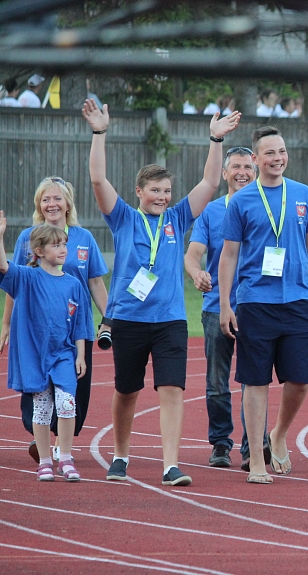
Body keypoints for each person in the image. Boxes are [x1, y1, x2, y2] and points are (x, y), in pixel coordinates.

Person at [82, 98, 241, 486]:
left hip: (170, 320)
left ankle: (170, 464)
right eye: (156, 190)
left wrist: (215, 140)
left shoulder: (178, 218)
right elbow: (99, 182)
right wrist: (99, 133)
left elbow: (209, 183)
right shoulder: (123, 218)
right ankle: (120, 456)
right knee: (127, 391)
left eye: (167, 191)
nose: (163, 197)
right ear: (139, 191)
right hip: (129, 320)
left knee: (172, 389)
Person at [218, 126, 308, 484]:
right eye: (269, 153)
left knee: (300, 378)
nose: (277, 158)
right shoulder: (241, 201)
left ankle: (278, 433)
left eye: (281, 151)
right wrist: (225, 304)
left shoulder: (302, 194)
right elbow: (229, 255)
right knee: (255, 382)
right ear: (255, 160)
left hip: (298, 299)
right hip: (255, 301)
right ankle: (255, 460)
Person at [1, 177, 109, 464]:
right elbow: (15, 283)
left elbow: (96, 283)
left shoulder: (84, 238)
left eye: (57, 198)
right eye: (46, 199)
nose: (52, 204)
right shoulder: (28, 237)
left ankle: (60, 445)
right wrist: (6, 323)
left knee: (74, 387)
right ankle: (48, 443)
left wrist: (110, 320)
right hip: (35, 330)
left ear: (68, 203)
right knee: (38, 393)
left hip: (74, 329)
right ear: (39, 204)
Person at [185, 146, 263, 471]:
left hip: (257, 306)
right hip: (217, 306)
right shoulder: (211, 211)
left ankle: (253, 447)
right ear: (225, 173)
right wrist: (197, 273)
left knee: (254, 380)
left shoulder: (269, 207)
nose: (242, 172)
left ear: (256, 171)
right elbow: (192, 254)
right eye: (236, 167)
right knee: (217, 379)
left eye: (248, 166)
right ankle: (220, 442)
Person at [0, 219, 90, 481]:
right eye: (56, 245)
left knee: (66, 403)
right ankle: (45, 461)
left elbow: (81, 324)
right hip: (35, 355)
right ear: (39, 251)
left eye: (64, 244)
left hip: (63, 353)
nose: (63, 249)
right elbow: (3, 266)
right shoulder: (26, 277)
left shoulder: (73, 284)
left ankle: (66, 458)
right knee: (41, 408)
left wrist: (81, 355)